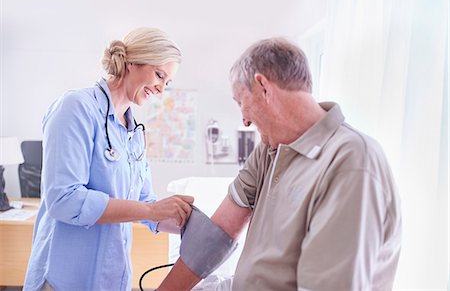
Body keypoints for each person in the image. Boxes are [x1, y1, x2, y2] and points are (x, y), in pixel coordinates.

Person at [157, 38, 402, 291]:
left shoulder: (350, 162)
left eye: (241, 102)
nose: (245, 120)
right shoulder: (270, 149)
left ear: (263, 87)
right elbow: (217, 233)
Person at [23, 27, 194, 291]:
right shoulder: (77, 108)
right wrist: (150, 210)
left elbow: (144, 204)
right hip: (62, 280)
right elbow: (63, 199)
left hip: (109, 280)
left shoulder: (133, 133)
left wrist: (192, 226)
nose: (161, 89)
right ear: (132, 62)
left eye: (167, 82)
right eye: (159, 75)